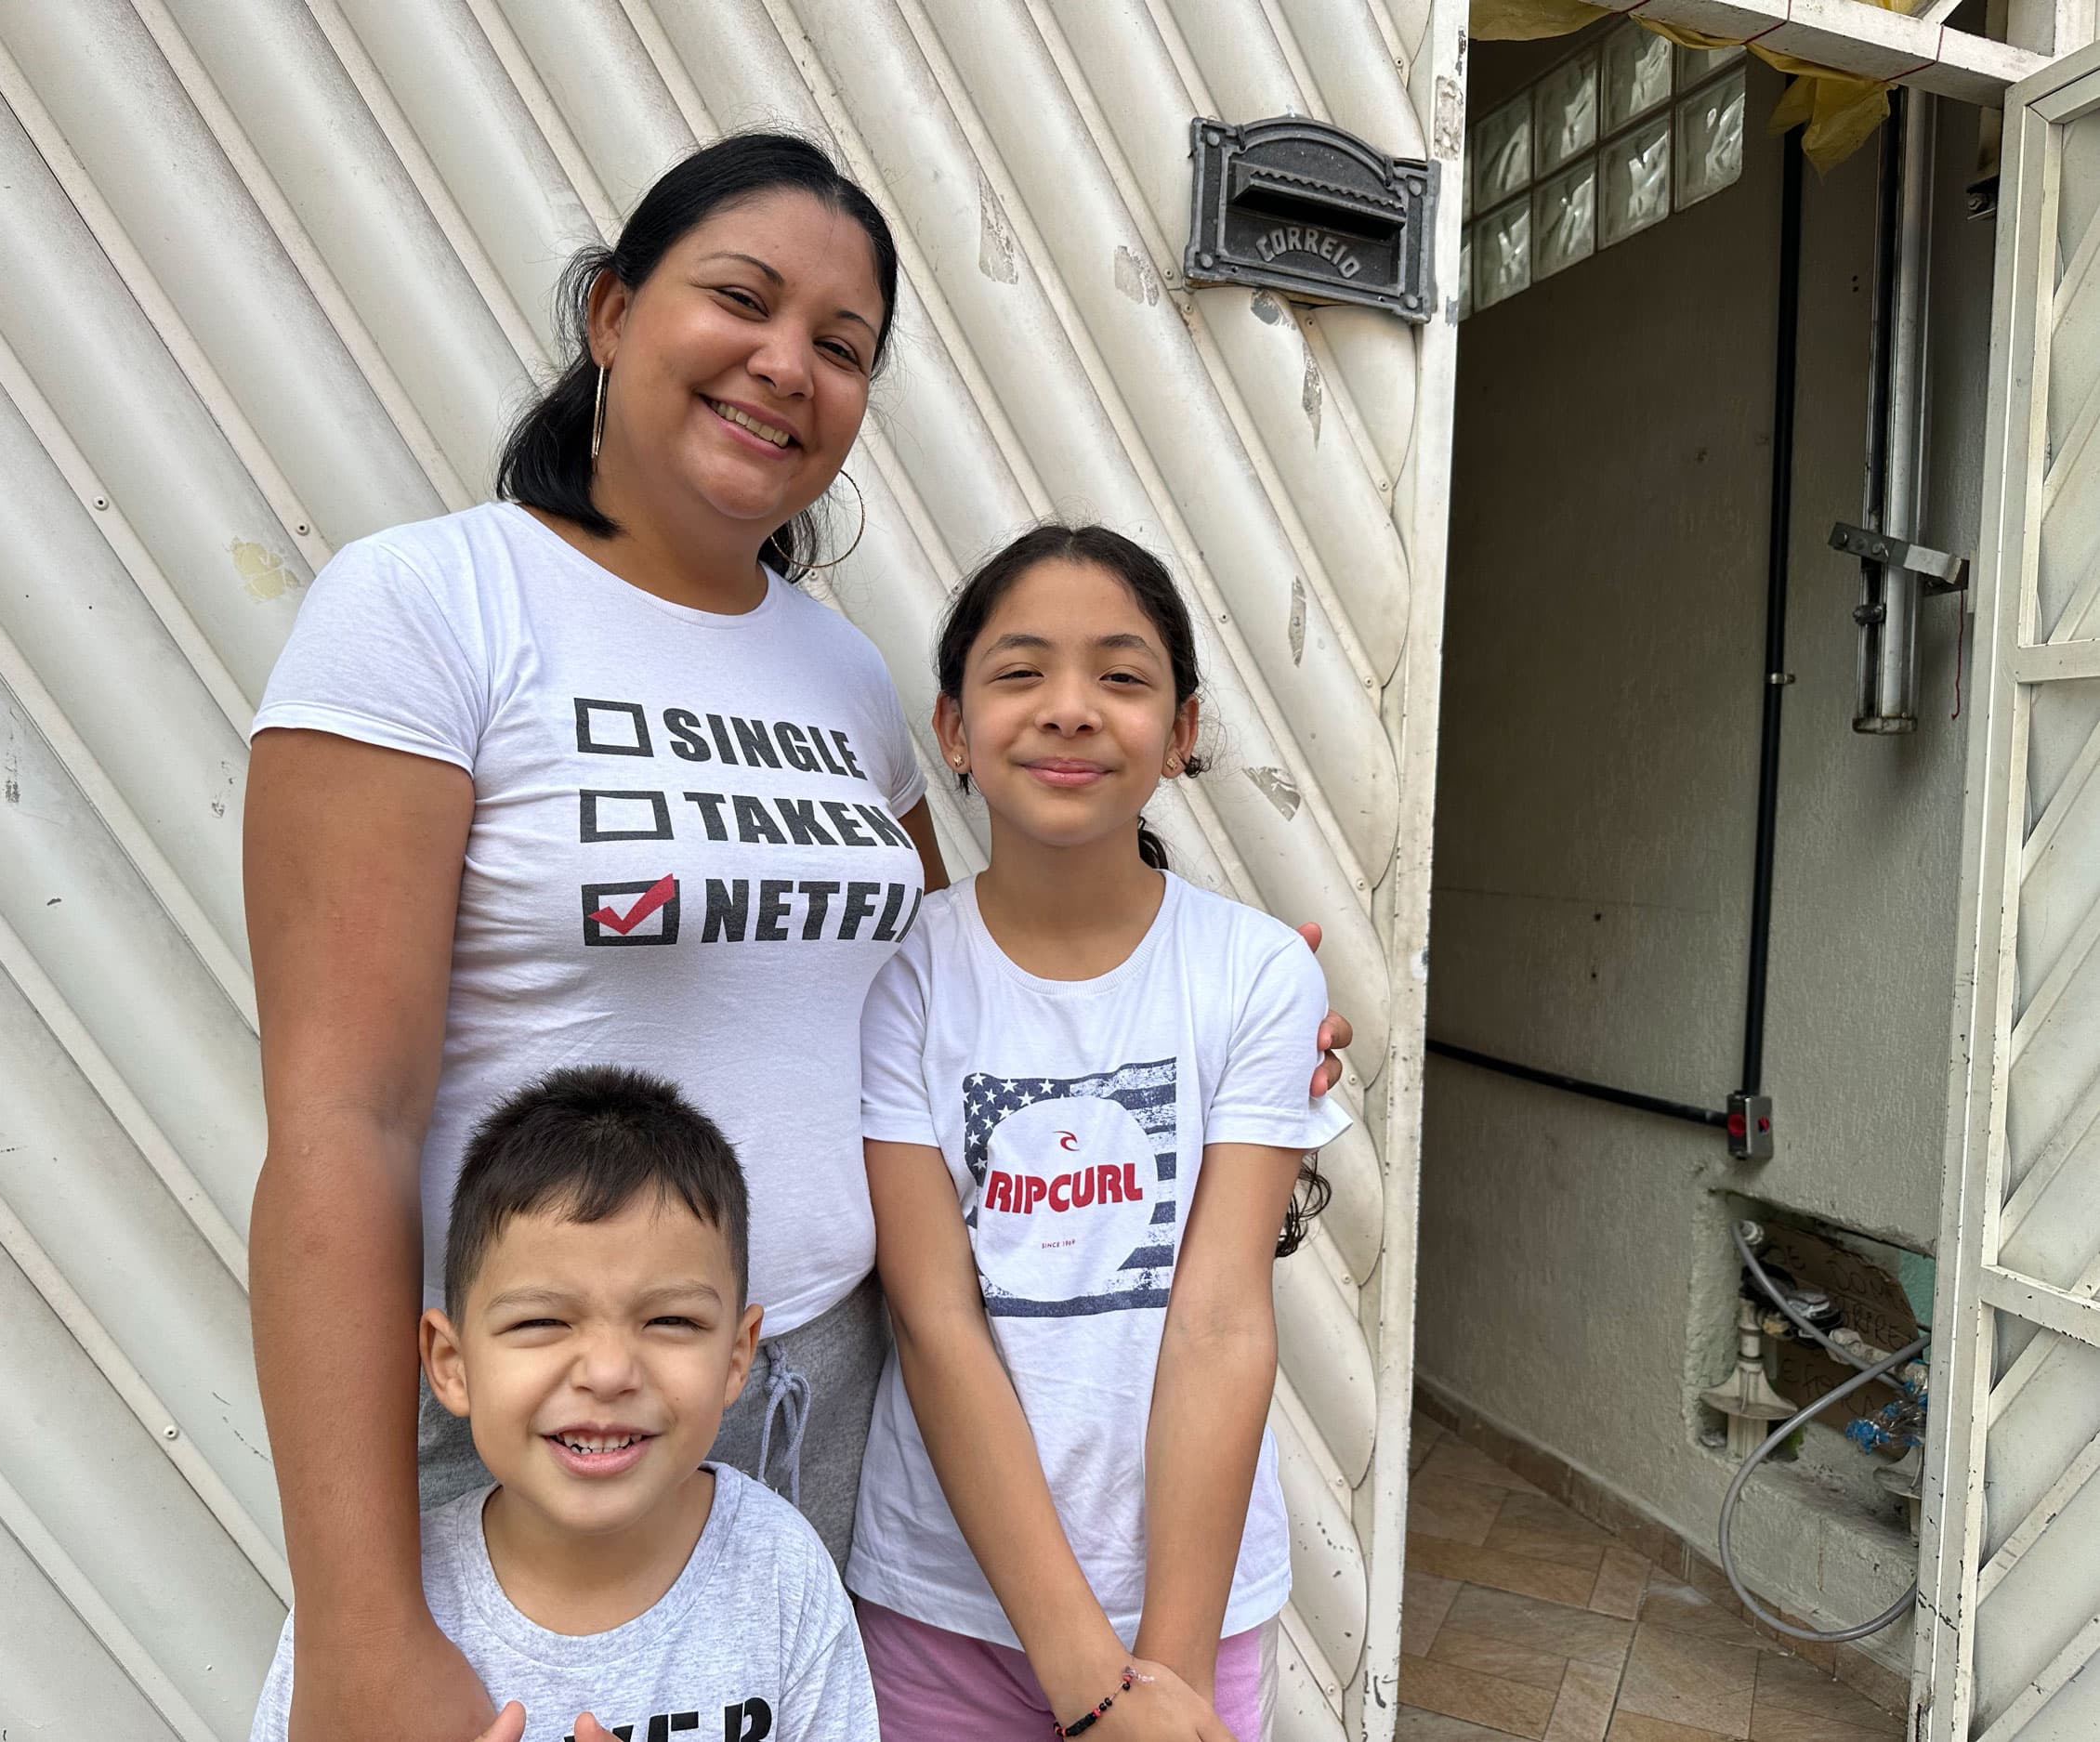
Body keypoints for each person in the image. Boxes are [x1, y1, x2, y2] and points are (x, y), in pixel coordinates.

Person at [242, 130, 1352, 1742]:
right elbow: (341, 1117)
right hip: (529, 1406)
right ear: (614, 313)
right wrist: (358, 1627)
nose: (787, 367)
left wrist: (1243, 1050)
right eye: (740, 302)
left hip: (818, 1405)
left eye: (842, 348)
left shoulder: (841, 679)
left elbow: (955, 984)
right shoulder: (426, 609)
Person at [846, 526, 1350, 1742]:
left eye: (1122, 676)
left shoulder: (1256, 974)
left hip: (1196, 1606)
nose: (1070, 709)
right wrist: (1091, 1676)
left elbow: (1223, 1315)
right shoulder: (902, 975)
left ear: (1182, 729)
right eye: (1020, 671)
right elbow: (935, 1315)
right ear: (954, 729)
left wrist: (1160, 1677)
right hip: (943, 1606)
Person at [250, 1066, 877, 1742]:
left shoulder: (780, 1575)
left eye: (670, 1320)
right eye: (541, 1323)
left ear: (736, 1356)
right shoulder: (390, 1611)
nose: (608, 1372)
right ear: (451, 1364)